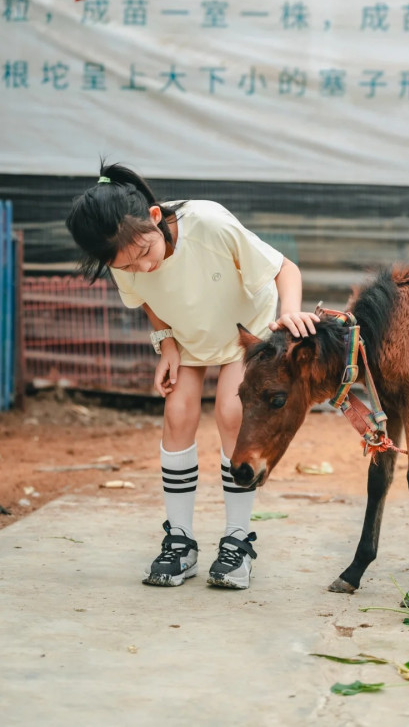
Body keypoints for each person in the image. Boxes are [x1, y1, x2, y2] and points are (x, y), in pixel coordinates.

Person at [66, 162, 319, 589]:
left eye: (145, 253)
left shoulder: (210, 223)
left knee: (230, 412)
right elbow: (147, 298)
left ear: (153, 217)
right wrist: (165, 343)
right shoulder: (124, 258)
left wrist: (289, 314)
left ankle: (238, 541)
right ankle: (179, 542)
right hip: (189, 337)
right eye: (128, 266)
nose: (143, 268)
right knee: (178, 413)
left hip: (247, 333)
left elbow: (285, 269)